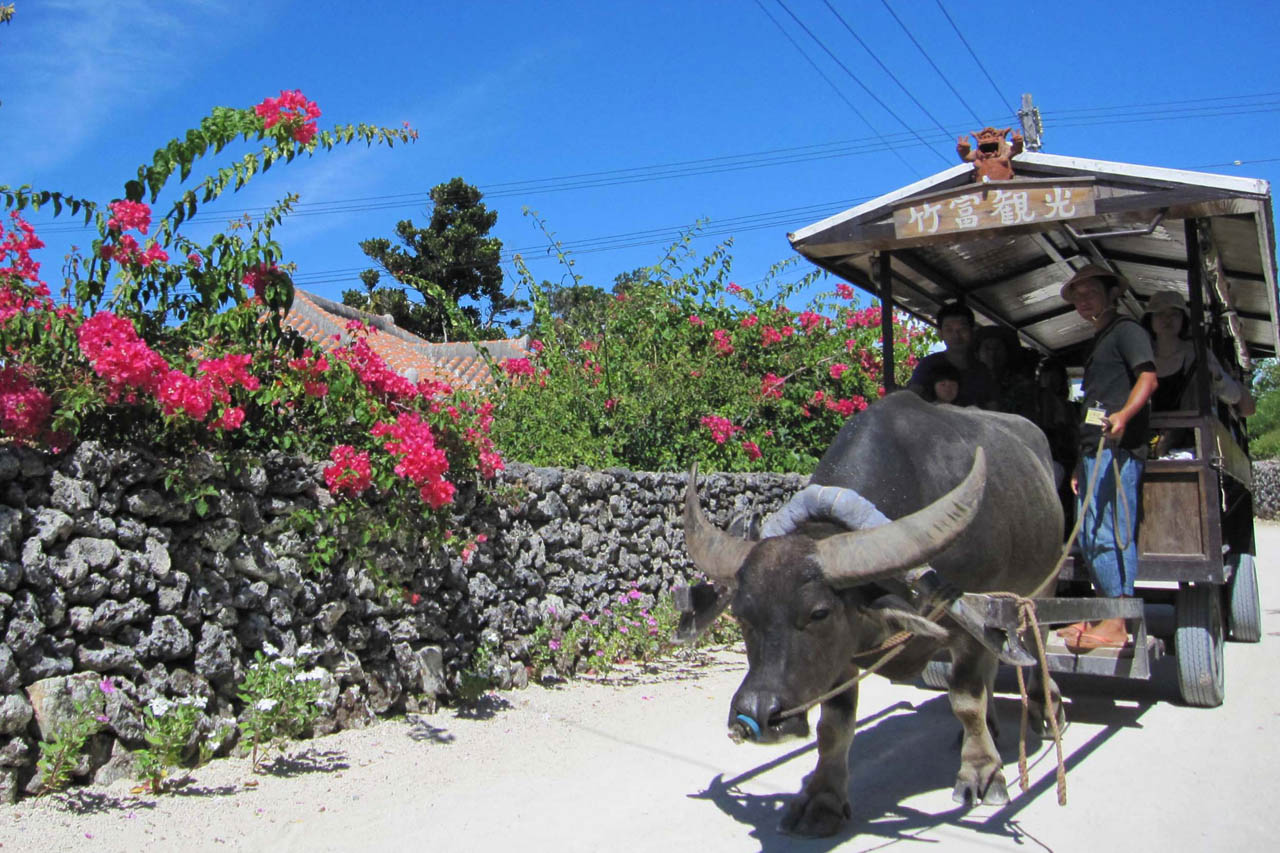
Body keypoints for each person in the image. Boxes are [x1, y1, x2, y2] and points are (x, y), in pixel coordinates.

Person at [1057, 265, 1158, 652]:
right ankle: (1105, 612)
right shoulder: (1099, 339)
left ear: (1112, 293)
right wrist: (1080, 463)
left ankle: (1117, 621)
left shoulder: (1127, 331)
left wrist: (1124, 416)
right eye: (1077, 295)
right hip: (1093, 452)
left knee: (1111, 532)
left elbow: (1148, 378)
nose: (1083, 300)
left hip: (1117, 450)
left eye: (1091, 292)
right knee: (1089, 533)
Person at [1142, 289, 1255, 454]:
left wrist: (1216, 376)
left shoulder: (1198, 354)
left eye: (1174, 314)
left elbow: (1233, 396)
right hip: (1147, 444)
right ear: (1150, 320)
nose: (1167, 319)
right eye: (1160, 314)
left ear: (1183, 319)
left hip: (1191, 446)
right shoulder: (1141, 357)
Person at [906, 301, 998, 408]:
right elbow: (911, 399)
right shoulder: (928, 364)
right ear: (940, 333)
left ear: (972, 331)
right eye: (949, 330)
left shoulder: (982, 371)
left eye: (962, 329)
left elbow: (993, 408)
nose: (956, 336)